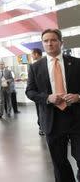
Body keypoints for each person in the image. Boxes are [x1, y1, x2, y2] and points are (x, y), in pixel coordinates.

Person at [26, 29, 80, 182]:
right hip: (52, 120)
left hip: (76, 117)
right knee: (59, 162)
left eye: (53, 40)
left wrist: (78, 97)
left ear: (61, 43)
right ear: (43, 44)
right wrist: (47, 98)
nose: (50, 43)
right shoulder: (35, 67)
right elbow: (30, 91)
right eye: (46, 41)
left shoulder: (76, 63)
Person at [31, 48, 44, 136]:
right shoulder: (33, 66)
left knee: (41, 111)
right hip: (39, 94)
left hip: (40, 94)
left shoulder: (35, 66)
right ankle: (42, 127)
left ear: (36, 54)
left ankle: (42, 128)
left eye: (32, 54)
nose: (31, 56)